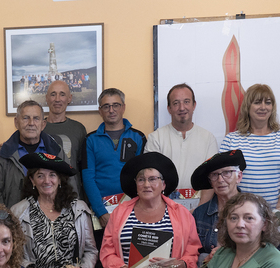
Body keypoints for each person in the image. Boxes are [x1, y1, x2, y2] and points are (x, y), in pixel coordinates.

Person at [219, 84, 280, 211]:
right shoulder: (231, 140)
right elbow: (224, 180)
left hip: (275, 215)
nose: (263, 107)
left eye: (268, 103)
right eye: (257, 102)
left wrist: (277, 211)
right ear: (248, 107)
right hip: (242, 215)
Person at [83, 88, 147, 228]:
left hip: (133, 210)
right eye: (106, 106)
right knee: (104, 250)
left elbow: (142, 177)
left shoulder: (138, 137)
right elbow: (88, 177)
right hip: (101, 213)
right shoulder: (90, 140)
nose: (111, 110)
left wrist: (137, 208)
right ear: (100, 111)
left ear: (123, 107)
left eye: (116, 105)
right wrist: (101, 212)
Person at [145, 83, 218, 204]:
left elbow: (212, 178)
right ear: (169, 109)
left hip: (200, 207)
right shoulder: (156, 138)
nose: (182, 107)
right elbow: (152, 180)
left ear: (194, 105)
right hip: (165, 206)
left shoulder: (208, 138)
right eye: (176, 103)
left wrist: (199, 211)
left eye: (186, 102)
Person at [0, 100, 65, 208]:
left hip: (52, 218)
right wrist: (6, 220)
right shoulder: (3, 154)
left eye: (36, 118)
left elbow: (69, 187)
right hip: (13, 220)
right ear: (16, 122)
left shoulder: (57, 152)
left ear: (43, 124)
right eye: (25, 118)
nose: (31, 123)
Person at [191, 150, 246, 268]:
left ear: (239, 176)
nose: (220, 180)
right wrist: (206, 259)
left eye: (227, 173)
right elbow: (191, 253)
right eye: (214, 175)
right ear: (210, 182)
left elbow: (269, 250)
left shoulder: (255, 209)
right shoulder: (200, 214)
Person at [43, 81, 88, 200]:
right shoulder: (37, 127)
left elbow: (83, 167)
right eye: (53, 94)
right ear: (46, 98)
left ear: (69, 98)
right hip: (43, 195)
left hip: (72, 195)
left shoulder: (79, 129)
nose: (57, 99)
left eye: (62, 94)